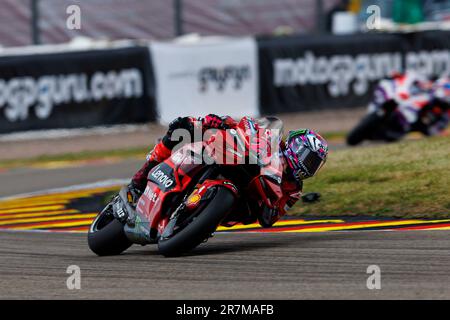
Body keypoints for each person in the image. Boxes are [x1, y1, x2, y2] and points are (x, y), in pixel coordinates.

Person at [127, 114, 328, 227]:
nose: (309, 166)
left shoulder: (293, 189)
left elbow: (269, 220)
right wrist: (226, 123)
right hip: (231, 157)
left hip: (242, 195)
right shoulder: (273, 138)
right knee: (183, 128)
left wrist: (271, 206)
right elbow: (249, 125)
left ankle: (197, 220)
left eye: (314, 164)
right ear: (296, 147)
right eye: (309, 159)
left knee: (249, 214)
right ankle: (141, 176)